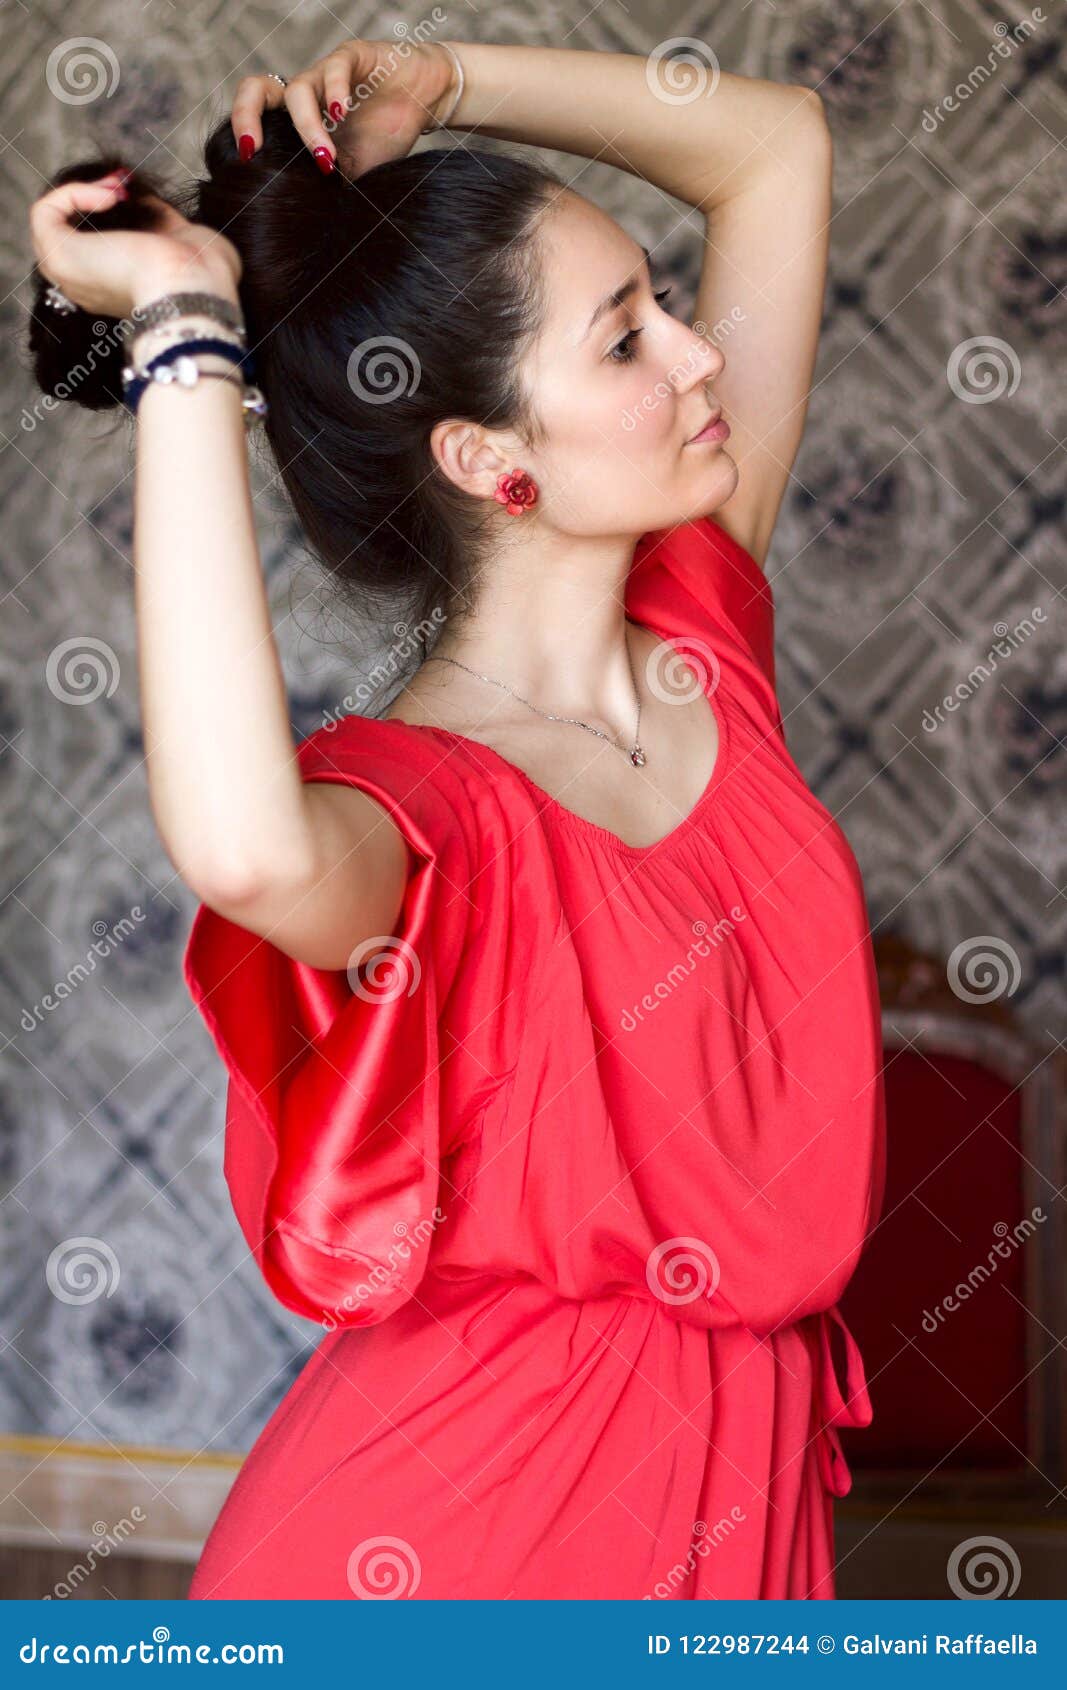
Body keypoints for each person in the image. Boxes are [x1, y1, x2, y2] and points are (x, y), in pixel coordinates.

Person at [27, 36, 884, 1601]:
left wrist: (448, 83)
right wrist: (183, 336)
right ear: (491, 459)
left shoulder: (704, 625)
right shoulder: (419, 812)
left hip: (742, 1520)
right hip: (465, 1552)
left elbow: (774, 148)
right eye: (627, 339)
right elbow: (243, 848)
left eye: (666, 308)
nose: (700, 359)